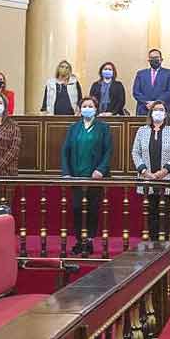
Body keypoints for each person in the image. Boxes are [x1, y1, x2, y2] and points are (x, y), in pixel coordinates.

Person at [61, 97, 112, 254]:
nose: (87, 108)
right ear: (80, 109)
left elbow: (108, 151)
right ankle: (79, 240)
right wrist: (67, 173)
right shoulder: (74, 128)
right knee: (77, 208)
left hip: (95, 176)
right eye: (84, 106)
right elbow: (65, 151)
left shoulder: (103, 128)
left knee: (92, 208)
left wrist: (101, 170)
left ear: (96, 109)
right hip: (77, 175)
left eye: (90, 106)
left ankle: (89, 240)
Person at [132, 101, 170, 241]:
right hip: (147, 178)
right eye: (155, 110)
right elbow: (135, 152)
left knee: (165, 213)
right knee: (151, 213)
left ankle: (165, 244)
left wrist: (164, 171)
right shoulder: (142, 131)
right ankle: (152, 244)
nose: (158, 112)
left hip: (165, 180)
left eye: (161, 110)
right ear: (151, 113)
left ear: (165, 113)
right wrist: (144, 171)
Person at [132, 49, 170, 116]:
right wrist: (147, 103)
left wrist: (156, 103)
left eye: (156, 57)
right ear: (148, 60)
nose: (154, 60)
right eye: (152, 58)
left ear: (161, 59)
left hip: (164, 110)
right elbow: (136, 92)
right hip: (144, 110)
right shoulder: (140, 74)